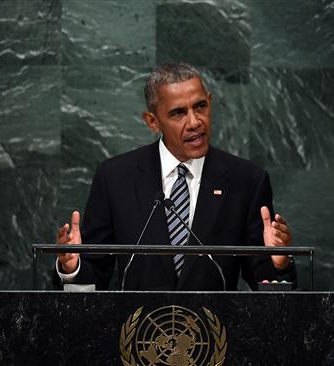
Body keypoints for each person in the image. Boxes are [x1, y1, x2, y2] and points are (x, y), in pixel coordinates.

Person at [55, 63, 295, 291]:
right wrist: (72, 267)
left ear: (210, 102)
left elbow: (265, 284)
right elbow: (94, 276)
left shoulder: (246, 180)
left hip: (214, 331)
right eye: (178, 113)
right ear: (152, 121)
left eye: (200, 106)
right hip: (139, 330)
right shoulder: (116, 177)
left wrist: (279, 263)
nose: (194, 122)